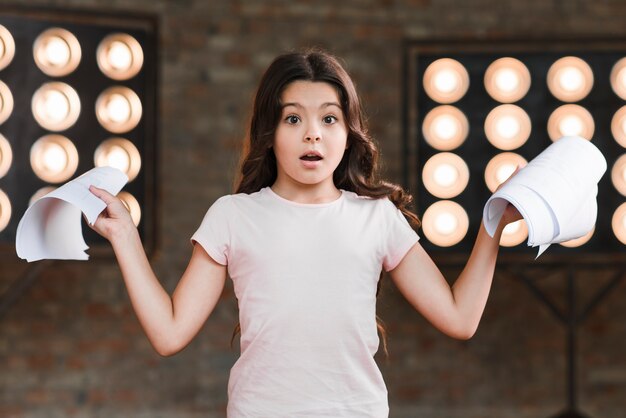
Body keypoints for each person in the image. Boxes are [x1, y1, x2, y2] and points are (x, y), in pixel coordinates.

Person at [88, 48, 522, 417]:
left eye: (329, 119)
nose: (313, 132)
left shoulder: (378, 217)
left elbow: (460, 318)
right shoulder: (232, 216)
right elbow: (169, 334)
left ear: (349, 134)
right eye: (293, 119)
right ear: (270, 132)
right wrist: (126, 238)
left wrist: (494, 224)